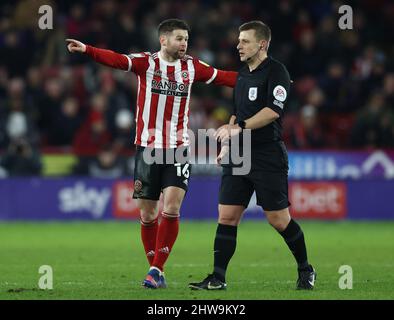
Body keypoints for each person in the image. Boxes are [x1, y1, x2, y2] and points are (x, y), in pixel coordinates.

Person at [66, 18, 237, 289]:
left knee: (171, 207)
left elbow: (226, 77)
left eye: (186, 39)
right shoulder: (147, 63)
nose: (184, 44)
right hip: (147, 148)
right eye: (179, 38)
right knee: (148, 214)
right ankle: (155, 269)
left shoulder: (192, 67)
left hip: (178, 149)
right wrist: (87, 49)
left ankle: (157, 269)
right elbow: (117, 60)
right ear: (163, 40)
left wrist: (263, 79)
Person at [188, 21, 316, 291]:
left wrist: (239, 128)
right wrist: (226, 144)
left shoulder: (277, 72)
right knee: (227, 216)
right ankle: (218, 278)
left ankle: (306, 269)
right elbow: (236, 111)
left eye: (245, 41)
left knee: (278, 219)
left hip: (267, 153)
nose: (238, 45)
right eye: (239, 40)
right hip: (239, 152)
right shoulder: (242, 74)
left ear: (262, 44)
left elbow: (273, 112)